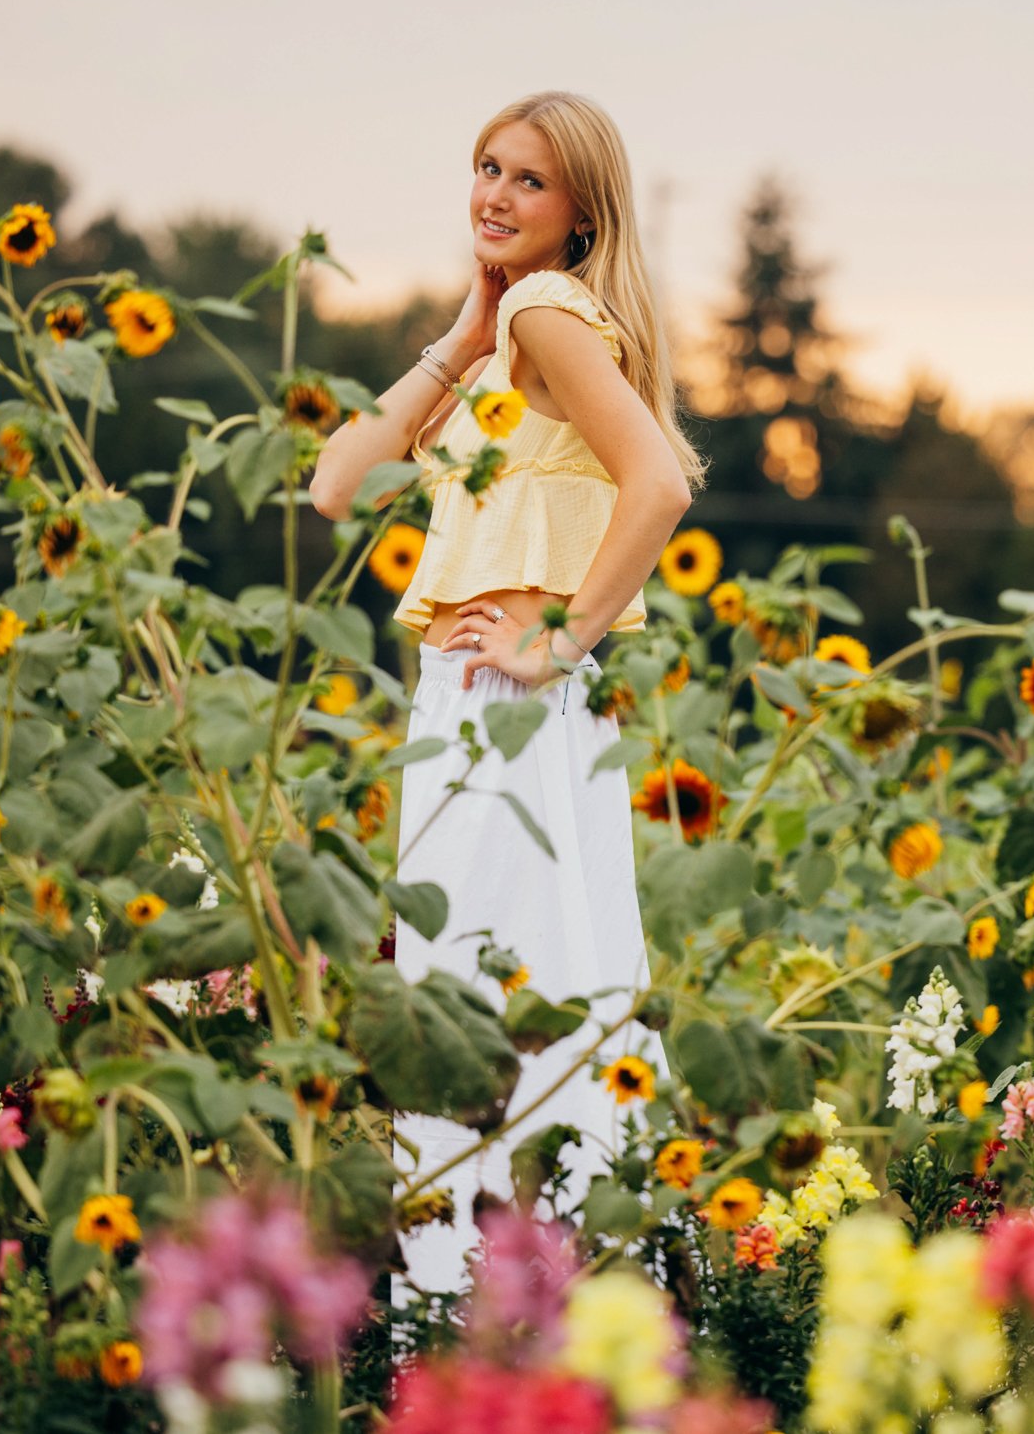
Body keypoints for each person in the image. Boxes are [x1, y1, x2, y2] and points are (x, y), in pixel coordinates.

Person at [307, 90, 704, 1297]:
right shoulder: (511, 323)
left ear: (581, 211)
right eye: (485, 167)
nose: (494, 194)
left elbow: (660, 484)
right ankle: (600, 1297)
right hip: (501, 704)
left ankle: (446, 1311)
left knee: (463, 995)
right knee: (557, 983)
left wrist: (563, 635)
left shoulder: (545, 308)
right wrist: (461, 326)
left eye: (528, 180)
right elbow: (338, 480)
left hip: (502, 698)